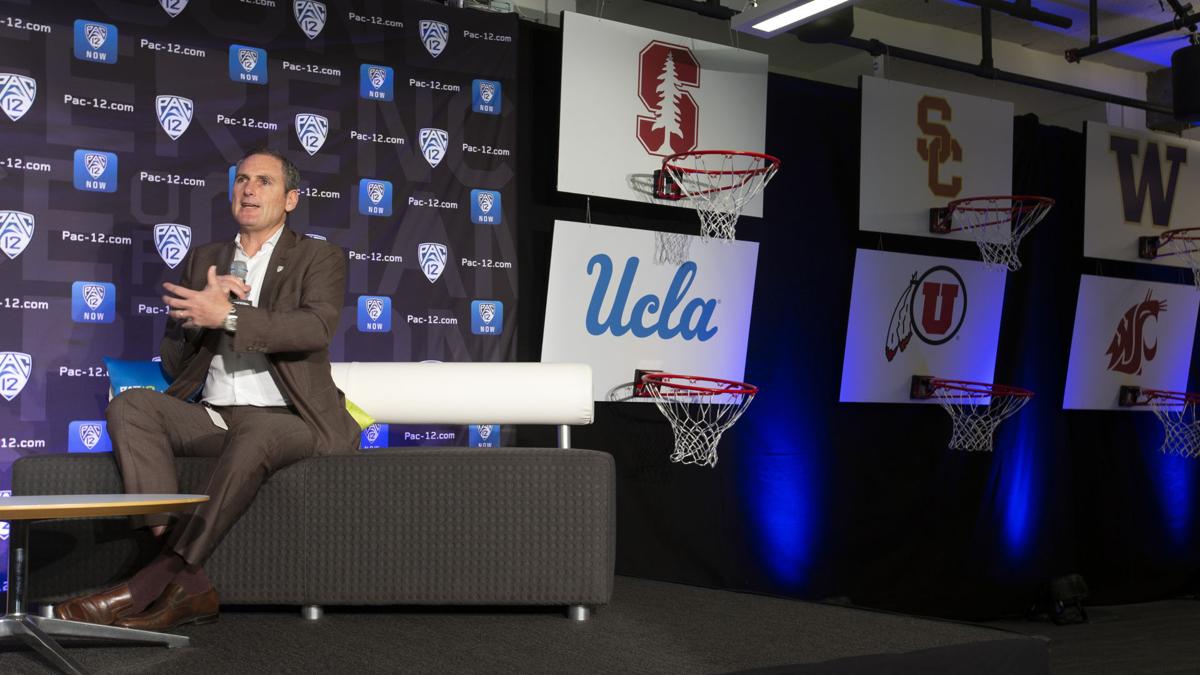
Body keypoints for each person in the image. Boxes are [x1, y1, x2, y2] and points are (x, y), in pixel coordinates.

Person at [55, 148, 360, 630]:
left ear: (292, 199)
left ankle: (150, 583)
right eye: (242, 180)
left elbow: (314, 329)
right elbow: (177, 365)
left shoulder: (318, 256)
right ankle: (190, 585)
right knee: (133, 405)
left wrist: (231, 316)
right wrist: (194, 322)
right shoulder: (206, 259)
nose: (249, 189)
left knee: (257, 430)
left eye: (264, 181)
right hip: (215, 415)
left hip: (290, 419)